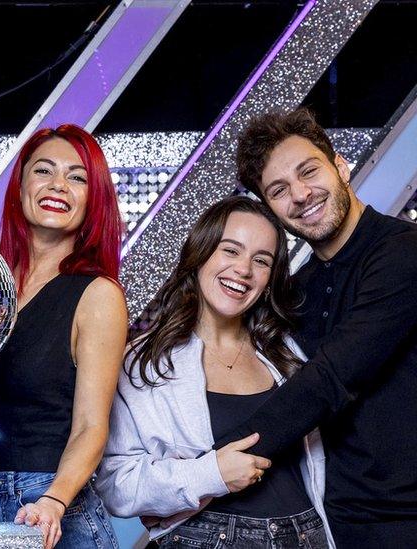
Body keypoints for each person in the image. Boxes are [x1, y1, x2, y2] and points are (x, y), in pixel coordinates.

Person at [213, 108, 417, 545]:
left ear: (340, 165)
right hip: (336, 521)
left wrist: (206, 473)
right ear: (270, 208)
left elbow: (331, 378)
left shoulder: (403, 253)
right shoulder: (295, 292)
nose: (301, 194)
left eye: (309, 171)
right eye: (279, 190)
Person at [96, 196, 334, 548]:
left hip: (304, 536)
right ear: (201, 253)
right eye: (231, 250)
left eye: (261, 260)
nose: (244, 270)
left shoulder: (289, 353)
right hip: (203, 539)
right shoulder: (143, 361)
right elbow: (116, 485)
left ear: (270, 278)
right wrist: (210, 474)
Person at [0, 124, 126, 549]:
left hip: (48, 503)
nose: (58, 185)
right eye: (43, 170)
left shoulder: (97, 295)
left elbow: (91, 426)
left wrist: (53, 501)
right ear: (20, 186)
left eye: (77, 176)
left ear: (94, 199)